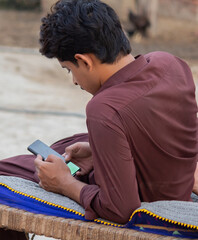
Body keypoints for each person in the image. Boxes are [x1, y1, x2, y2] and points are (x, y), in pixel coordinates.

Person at [0, 0, 197, 239]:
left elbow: (120, 209)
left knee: (11, 172)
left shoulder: (104, 109)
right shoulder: (170, 63)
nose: (74, 81)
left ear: (84, 61)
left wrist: (63, 183)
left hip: (146, 197)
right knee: (68, 146)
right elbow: (161, 132)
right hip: (174, 182)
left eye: (69, 69)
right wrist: (96, 149)